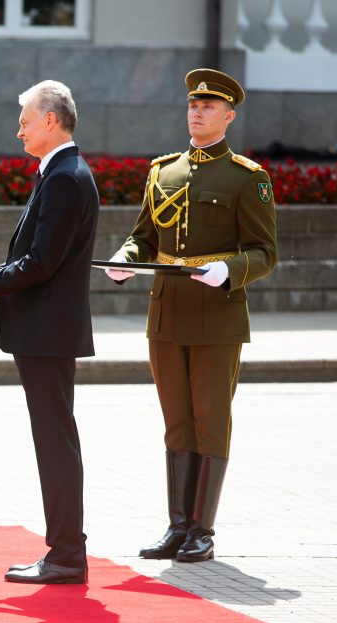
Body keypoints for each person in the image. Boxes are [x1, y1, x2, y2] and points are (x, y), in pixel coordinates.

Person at [104, 69, 277, 562]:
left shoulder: (247, 177)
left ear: (228, 116)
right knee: (176, 421)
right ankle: (177, 526)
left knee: (210, 420)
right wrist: (126, 258)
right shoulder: (164, 171)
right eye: (192, 105)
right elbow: (144, 237)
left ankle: (203, 528)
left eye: (208, 106)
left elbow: (266, 252)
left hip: (218, 314)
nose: (197, 112)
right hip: (166, 313)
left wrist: (230, 269)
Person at [0, 80, 99, 584]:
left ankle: (67, 554)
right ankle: (66, 549)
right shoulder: (58, 173)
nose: (19, 130)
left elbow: (39, 264)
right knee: (55, 440)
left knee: (55, 442)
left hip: (46, 333)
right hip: (44, 331)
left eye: (26, 121)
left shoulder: (66, 178)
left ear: (51, 121)